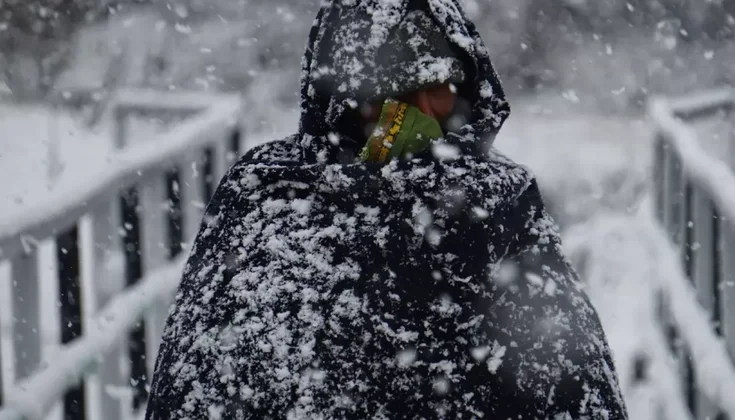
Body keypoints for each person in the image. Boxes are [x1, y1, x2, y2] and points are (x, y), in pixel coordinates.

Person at [145, 0, 629, 418]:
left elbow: (574, 384)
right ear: (343, 104)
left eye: (437, 87)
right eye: (390, 94)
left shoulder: (502, 207)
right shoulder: (269, 198)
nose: (416, 113)